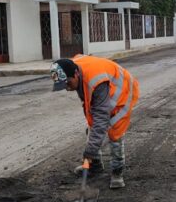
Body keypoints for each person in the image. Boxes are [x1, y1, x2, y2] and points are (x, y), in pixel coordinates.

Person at [50, 55, 139, 189]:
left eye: (68, 83)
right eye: (63, 85)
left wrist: (89, 152)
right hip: (103, 93)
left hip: (122, 94)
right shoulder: (70, 67)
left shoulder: (96, 81)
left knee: (115, 133)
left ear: (76, 74)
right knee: (92, 126)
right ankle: (95, 166)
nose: (67, 88)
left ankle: (117, 172)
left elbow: (101, 119)